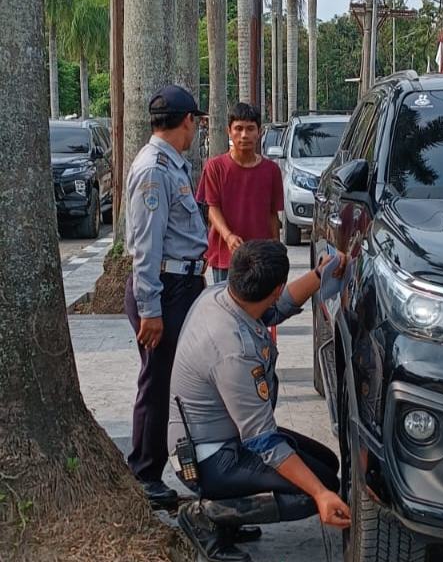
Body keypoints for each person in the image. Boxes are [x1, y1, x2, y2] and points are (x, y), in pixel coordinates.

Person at [168, 240, 350, 562]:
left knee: (327, 464)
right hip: (208, 459)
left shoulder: (221, 295)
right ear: (275, 288)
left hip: (223, 435)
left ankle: (230, 514)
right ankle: (207, 516)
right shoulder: (233, 350)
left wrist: (319, 274)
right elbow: (262, 440)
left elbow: (274, 308)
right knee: (316, 489)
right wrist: (321, 495)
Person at [124, 84, 208, 507]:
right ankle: (144, 472)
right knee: (158, 382)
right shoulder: (154, 169)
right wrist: (150, 310)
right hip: (164, 288)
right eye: (197, 122)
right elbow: (146, 246)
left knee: (177, 381)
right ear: (188, 120)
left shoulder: (172, 163)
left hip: (181, 285)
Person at [196, 103, 283, 283]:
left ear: (259, 132)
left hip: (262, 258)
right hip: (226, 256)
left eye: (250, 129)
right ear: (229, 131)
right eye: (238, 129)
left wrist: (277, 251)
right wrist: (228, 236)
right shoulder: (215, 167)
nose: (244, 135)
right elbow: (212, 208)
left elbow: (272, 214)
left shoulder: (271, 170)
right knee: (226, 301)